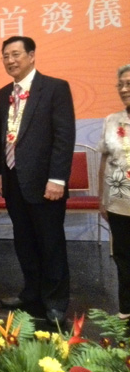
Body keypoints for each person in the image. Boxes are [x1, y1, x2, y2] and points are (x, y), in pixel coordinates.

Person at [0, 36, 75, 325]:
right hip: (14, 180)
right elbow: (3, 136)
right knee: (24, 241)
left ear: (31, 55)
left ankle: (55, 301)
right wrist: (1, 173)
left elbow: (64, 137)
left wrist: (57, 179)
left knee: (50, 242)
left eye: (16, 54)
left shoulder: (54, 88)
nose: (10, 60)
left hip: (45, 182)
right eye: (6, 56)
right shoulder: (4, 93)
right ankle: (31, 292)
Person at [97, 63, 130, 321]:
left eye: (129, 84)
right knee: (123, 257)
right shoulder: (111, 120)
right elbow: (104, 161)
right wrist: (102, 199)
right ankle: (126, 309)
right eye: (121, 84)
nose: (124, 89)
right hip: (119, 202)